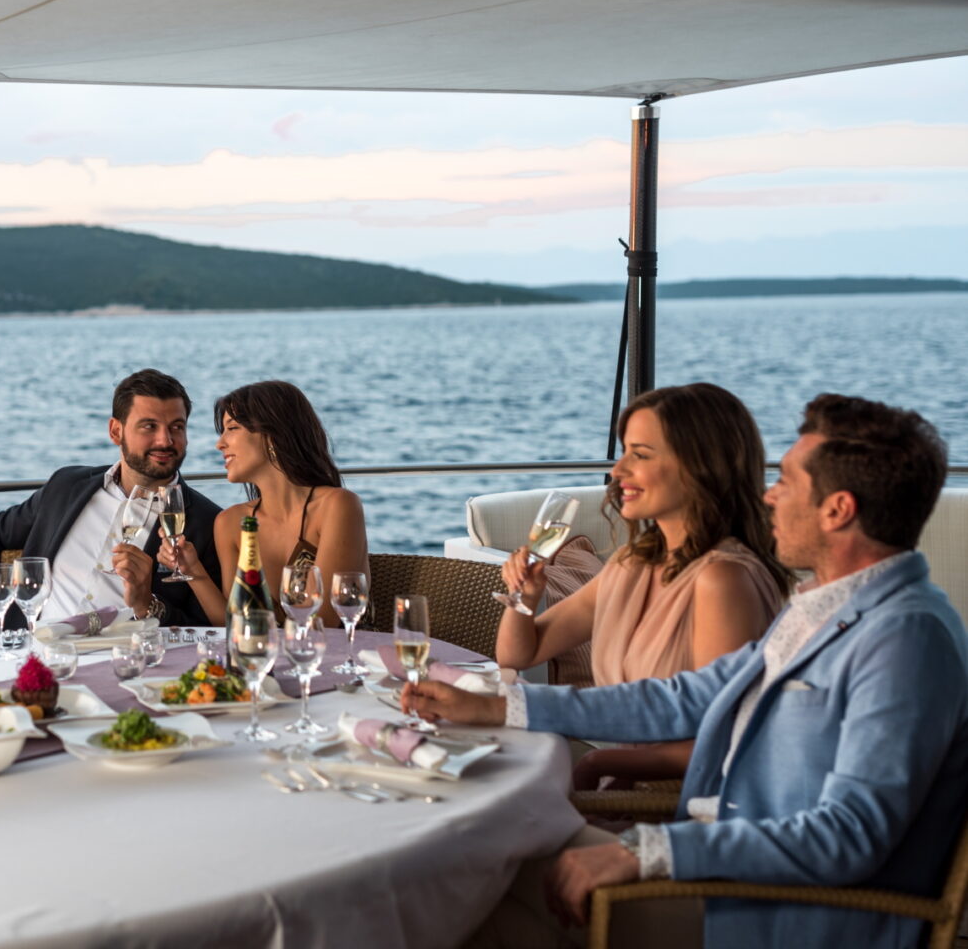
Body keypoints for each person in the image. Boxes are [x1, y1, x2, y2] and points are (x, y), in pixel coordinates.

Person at [404, 393, 966, 949]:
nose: (768, 496)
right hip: (730, 872)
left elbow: (850, 837)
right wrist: (501, 708)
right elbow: (683, 697)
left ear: (838, 509)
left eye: (787, 482)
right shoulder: (826, 608)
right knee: (468, 879)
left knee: (470, 886)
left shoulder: (906, 639)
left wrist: (647, 851)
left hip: (784, 915)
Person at [495, 382, 792, 788]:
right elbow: (518, 654)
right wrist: (523, 598)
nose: (618, 472)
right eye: (624, 453)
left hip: (681, 803)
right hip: (625, 781)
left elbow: (720, 740)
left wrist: (600, 766)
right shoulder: (631, 565)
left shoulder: (723, 579)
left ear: (699, 465)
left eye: (640, 455)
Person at [0, 369, 224, 634]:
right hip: (33, 651)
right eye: (149, 426)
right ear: (115, 431)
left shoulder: (207, 522)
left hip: (129, 663)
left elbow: (206, 630)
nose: (165, 441)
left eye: (177, 427)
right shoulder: (67, 486)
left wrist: (148, 605)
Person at [212, 380, 368, 626]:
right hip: (264, 660)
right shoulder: (230, 523)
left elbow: (320, 621)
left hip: (342, 658)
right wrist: (193, 572)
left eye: (232, 428)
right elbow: (235, 624)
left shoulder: (337, 507)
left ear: (272, 435)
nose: (220, 443)